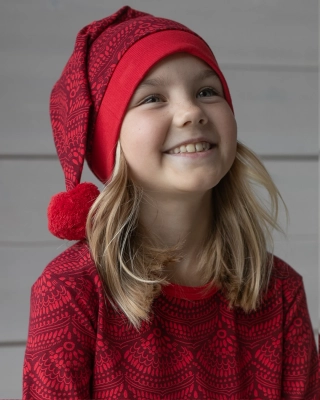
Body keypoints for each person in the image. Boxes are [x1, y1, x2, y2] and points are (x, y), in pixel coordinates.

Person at [22, 5, 319, 400]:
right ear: (110, 144)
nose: (192, 111)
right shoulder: (70, 293)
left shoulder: (280, 291)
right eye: (152, 98)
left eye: (207, 91)